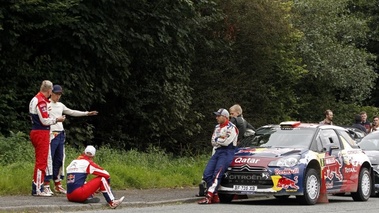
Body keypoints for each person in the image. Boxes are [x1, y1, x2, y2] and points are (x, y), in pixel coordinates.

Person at [43, 85, 99, 195]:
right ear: (51, 93)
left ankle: (58, 183)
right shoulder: (46, 104)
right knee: (49, 159)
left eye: (59, 95)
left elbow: (72, 112)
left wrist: (86, 113)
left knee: (59, 159)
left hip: (60, 134)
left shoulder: (60, 105)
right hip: (51, 134)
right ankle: (46, 184)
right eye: (56, 94)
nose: (58, 97)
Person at [29, 80, 66, 196]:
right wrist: (56, 120)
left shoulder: (35, 99)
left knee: (40, 161)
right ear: (49, 91)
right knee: (42, 161)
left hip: (36, 130)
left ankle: (36, 185)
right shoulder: (41, 102)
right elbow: (44, 120)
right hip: (41, 132)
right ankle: (38, 189)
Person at [198, 108, 238, 204]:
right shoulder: (217, 127)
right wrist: (219, 139)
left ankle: (209, 195)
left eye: (218, 116)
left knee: (217, 174)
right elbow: (212, 141)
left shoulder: (231, 128)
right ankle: (215, 195)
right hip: (217, 151)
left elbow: (226, 142)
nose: (216, 118)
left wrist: (218, 139)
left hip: (227, 152)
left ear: (225, 117)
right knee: (207, 174)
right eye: (216, 116)